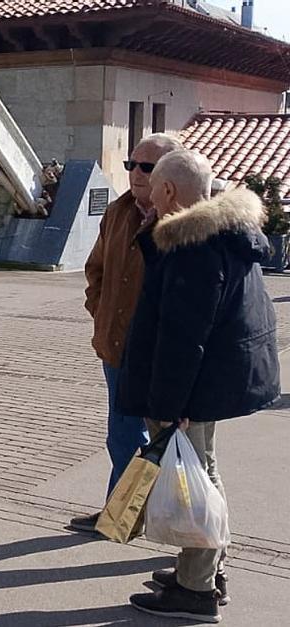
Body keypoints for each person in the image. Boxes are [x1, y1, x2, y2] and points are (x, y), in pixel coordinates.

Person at [119, 150, 279, 623]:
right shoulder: (223, 232)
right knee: (202, 472)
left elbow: (182, 335)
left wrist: (170, 404)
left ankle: (197, 588)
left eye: (152, 186)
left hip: (196, 386)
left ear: (168, 191)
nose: (144, 192)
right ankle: (205, 569)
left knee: (195, 480)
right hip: (214, 381)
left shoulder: (193, 246)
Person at [70, 133, 185, 532]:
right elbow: (95, 270)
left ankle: (184, 533)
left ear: (170, 175)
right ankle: (121, 512)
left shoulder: (185, 223)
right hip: (117, 348)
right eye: (131, 164)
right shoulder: (119, 212)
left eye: (146, 167)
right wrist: (101, 312)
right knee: (121, 435)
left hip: (162, 356)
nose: (136, 173)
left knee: (175, 445)